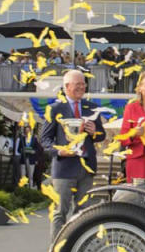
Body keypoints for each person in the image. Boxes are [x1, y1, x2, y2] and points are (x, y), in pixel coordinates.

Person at [41, 70, 106, 240]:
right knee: (59, 212)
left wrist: (95, 132)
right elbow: (45, 140)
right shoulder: (54, 109)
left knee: (83, 213)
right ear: (67, 87)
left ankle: (76, 248)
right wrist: (59, 151)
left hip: (86, 168)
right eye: (77, 84)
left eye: (83, 84)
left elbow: (102, 135)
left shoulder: (91, 108)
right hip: (63, 168)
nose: (81, 87)